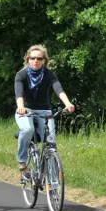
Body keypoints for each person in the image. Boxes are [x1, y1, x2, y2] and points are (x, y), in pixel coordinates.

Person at [14, 45, 74, 173]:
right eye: (33, 58)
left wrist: (67, 103)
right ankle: (22, 160)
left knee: (50, 144)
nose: (36, 61)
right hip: (26, 110)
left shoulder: (49, 75)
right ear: (28, 59)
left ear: (44, 61)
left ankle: (52, 183)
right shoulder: (21, 75)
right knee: (27, 129)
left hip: (45, 111)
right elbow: (18, 94)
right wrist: (21, 107)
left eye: (39, 58)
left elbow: (58, 89)